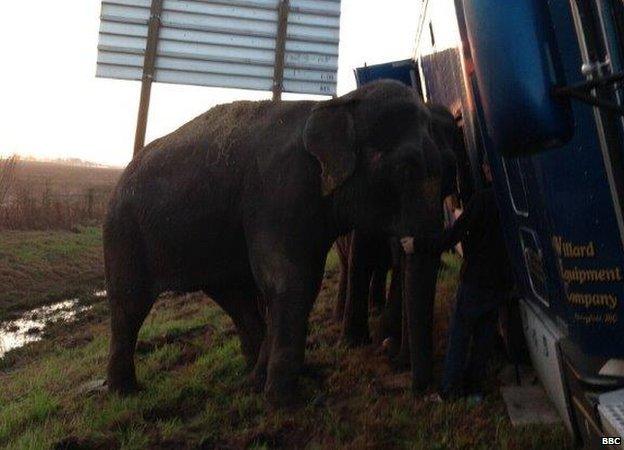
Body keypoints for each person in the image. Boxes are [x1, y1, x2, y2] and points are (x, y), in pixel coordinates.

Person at [403, 161, 514, 401]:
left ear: (488, 170)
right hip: (501, 282)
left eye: (487, 165)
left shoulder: (481, 201)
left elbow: (451, 237)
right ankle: (475, 389)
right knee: (484, 336)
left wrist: (417, 244)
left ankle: (449, 391)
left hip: (475, 281)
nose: (484, 168)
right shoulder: (514, 201)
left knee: (460, 335)